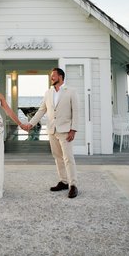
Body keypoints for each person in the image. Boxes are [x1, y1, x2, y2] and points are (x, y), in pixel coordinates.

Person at [29, 67, 79, 198]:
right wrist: (30, 124)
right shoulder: (48, 92)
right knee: (57, 157)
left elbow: (76, 111)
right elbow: (41, 110)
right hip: (52, 130)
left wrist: (73, 129)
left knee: (68, 158)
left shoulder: (71, 91)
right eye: (51, 76)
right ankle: (63, 181)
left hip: (66, 130)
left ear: (60, 77)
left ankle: (73, 185)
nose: (51, 78)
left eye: (53, 75)